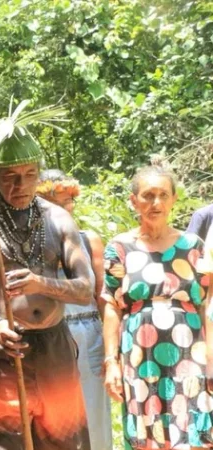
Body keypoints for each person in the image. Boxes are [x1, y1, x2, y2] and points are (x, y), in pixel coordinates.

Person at [0, 99, 92, 449]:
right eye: (10, 177)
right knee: (8, 442)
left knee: (63, 441)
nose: (21, 185)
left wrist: (40, 282)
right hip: (1, 350)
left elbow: (86, 288)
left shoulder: (57, 219)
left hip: (53, 347)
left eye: (30, 175)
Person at [103, 166, 213, 449]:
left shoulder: (194, 247)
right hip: (139, 352)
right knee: (146, 424)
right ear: (133, 201)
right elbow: (112, 307)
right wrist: (111, 362)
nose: (156, 203)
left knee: (190, 420)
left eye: (163, 195)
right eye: (148, 195)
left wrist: (211, 357)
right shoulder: (120, 248)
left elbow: (206, 305)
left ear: (174, 199)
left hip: (190, 350)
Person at [36, 170, 112, 450]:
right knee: (56, 417)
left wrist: (111, 350)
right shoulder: (30, 245)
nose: (68, 207)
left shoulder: (89, 240)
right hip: (52, 334)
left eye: (71, 201)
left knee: (95, 414)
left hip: (89, 332)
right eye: (61, 200)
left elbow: (103, 296)